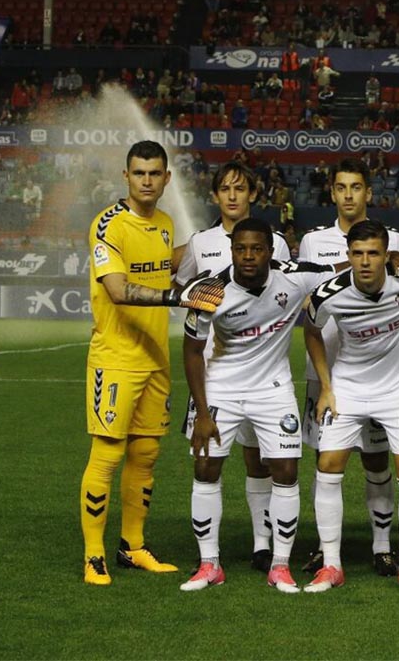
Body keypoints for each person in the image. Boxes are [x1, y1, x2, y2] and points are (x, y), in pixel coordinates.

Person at [80, 141, 227, 585]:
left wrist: (215, 246)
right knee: (107, 455)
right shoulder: (108, 224)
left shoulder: (163, 223)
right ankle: (93, 556)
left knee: (146, 454)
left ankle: (133, 546)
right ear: (126, 176)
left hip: (154, 360)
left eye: (154, 174)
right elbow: (119, 289)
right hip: (116, 359)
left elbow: (162, 264)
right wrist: (176, 297)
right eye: (139, 173)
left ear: (167, 179)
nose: (147, 180)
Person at [179, 218, 334, 594]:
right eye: (240, 249)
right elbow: (192, 352)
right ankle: (209, 563)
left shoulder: (295, 278)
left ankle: (280, 565)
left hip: (273, 389)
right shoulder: (209, 290)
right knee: (205, 467)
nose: (248, 256)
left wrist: (395, 258)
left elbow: (339, 270)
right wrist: (201, 413)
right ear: (232, 249)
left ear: (271, 251)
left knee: (285, 470)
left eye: (257, 249)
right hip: (220, 388)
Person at [302, 221, 399, 596]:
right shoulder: (328, 294)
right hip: (348, 387)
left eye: (373, 253)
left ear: (387, 255)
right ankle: (332, 564)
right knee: (328, 465)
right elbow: (311, 329)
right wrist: (325, 385)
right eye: (357, 254)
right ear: (348, 255)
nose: (365, 262)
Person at [174, 161, 291, 573]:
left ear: (252, 195)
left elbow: (285, 291)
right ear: (215, 196)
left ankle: (263, 543)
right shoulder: (200, 241)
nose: (232, 195)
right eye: (225, 188)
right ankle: (210, 557)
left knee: (258, 460)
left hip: (261, 372)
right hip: (213, 372)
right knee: (207, 460)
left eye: (240, 188)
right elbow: (182, 287)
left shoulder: (276, 241)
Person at [298, 159, 399, 579]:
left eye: (356, 187)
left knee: (377, 461)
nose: (348, 195)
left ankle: (382, 547)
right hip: (325, 373)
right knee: (326, 460)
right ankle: (327, 548)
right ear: (331, 192)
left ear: (368, 192)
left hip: (378, 372)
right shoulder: (313, 241)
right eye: (341, 187)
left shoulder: (391, 238)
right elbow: (309, 305)